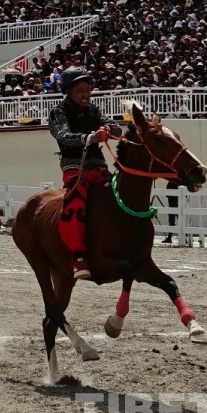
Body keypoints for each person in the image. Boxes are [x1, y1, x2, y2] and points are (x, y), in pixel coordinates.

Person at [48, 67, 121, 281]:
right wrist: (90, 138)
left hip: (99, 168)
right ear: (68, 91)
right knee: (75, 205)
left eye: (88, 90)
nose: (85, 95)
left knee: (121, 196)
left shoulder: (94, 110)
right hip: (74, 169)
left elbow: (115, 127)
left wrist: (108, 130)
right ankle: (78, 256)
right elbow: (63, 135)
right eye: (80, 90)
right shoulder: (58, 112)